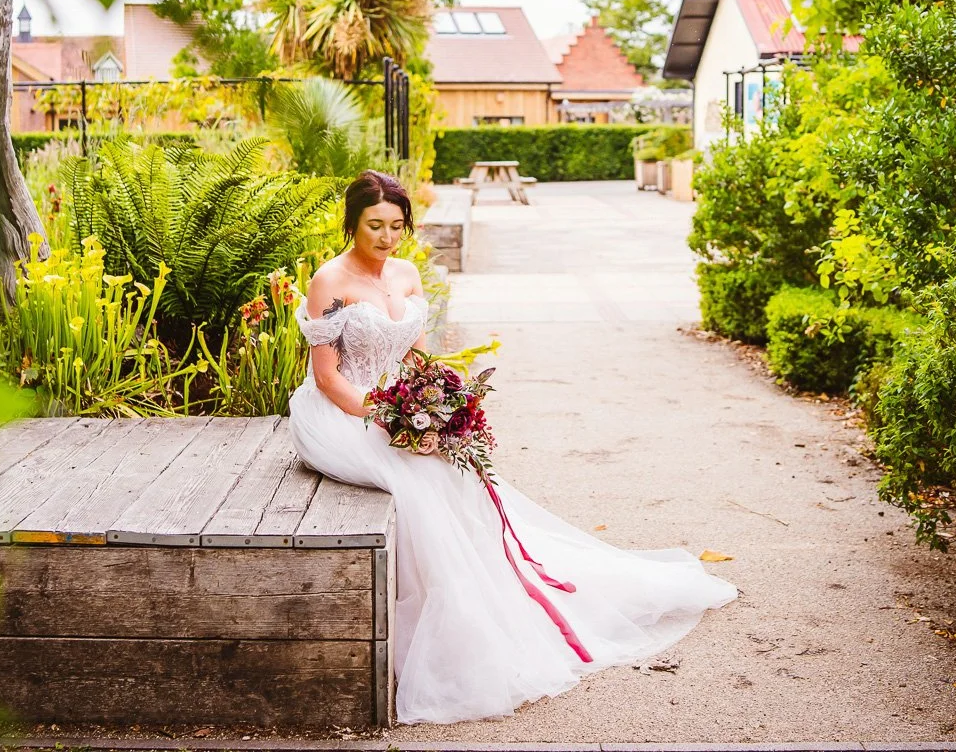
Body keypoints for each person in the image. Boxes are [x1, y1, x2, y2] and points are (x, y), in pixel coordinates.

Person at [287, 169, 738, 724]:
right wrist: (394, 420)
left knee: (456, 471)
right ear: (352, 222)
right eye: (374, 226)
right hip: (344, 412)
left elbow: (417, 358)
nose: (387, 238)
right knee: (419, 480)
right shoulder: (329, 282)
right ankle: (453, 621)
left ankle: (491, 597)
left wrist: (445, 405)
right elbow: (330, 379)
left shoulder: (405, 273)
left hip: (402, 405)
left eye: (397, 226)